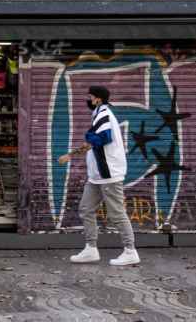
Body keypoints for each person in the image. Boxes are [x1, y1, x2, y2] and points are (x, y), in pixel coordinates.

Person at [67, 85, 140, 266]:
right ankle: (91, 249)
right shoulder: (99, 114)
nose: (88, 100)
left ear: (98, 99)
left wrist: (88, 136)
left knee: (116, 214)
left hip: (109, 174)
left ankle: (130, 251)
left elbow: (103, 138)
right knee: (86, 209)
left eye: (90, 97)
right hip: (97, 176)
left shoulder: (104, 114)